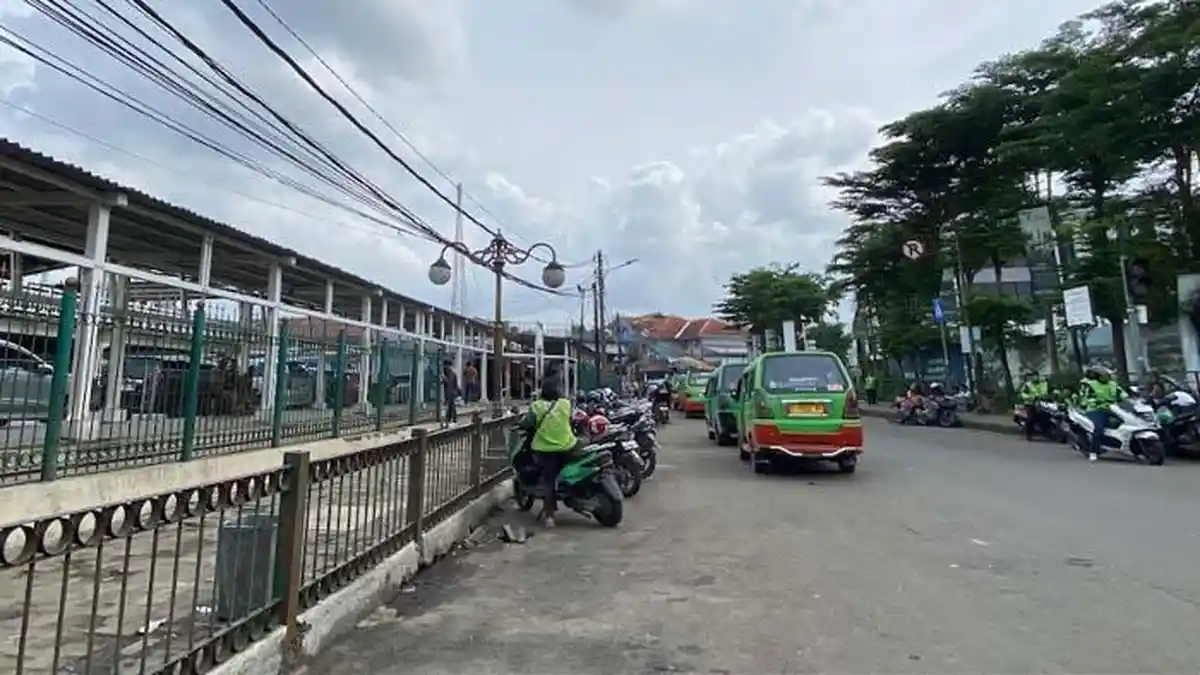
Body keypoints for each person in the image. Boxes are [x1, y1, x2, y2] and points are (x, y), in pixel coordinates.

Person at [528, 379, 580, 528]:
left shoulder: (536, 406)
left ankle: (549, 515)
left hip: (545, 450)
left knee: (549, 481)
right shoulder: (565, 403)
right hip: (568, 447)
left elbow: (528, 423)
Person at [1078, 365, 1126, 462]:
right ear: (1098, 376)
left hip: (1113, 409)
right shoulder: (1090, 384)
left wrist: (1129, 399)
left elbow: (1123, 395)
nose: (1107, 377)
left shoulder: (1113, 384)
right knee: (1099, 428)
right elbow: (1084, 398)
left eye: (1108, 376)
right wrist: (1094, 402)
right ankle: (1093, 451)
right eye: (1104, 376)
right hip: (1096, 410)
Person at [1018, 369, 1050, 441]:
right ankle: (1029, 435)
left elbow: (1049, 391)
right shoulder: (1028, 384)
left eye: (1036, 376)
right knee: (1030, 419)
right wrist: (1031, 397)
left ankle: (1047, 433)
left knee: (1046, 417)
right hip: (1030, 404)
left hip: (1043, 404)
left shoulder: (1044, 383)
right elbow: (1022, 394)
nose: (1035, 377)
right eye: (1033, 376)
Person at [441, 361, 459, 426]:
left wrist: (444, 378)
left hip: (451, 392)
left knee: (451, 406)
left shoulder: (451, 373)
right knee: (451, 406)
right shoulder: (448, 372)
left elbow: (449, 383)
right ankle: (450, 419)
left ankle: (453, 419)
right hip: (450, 392)